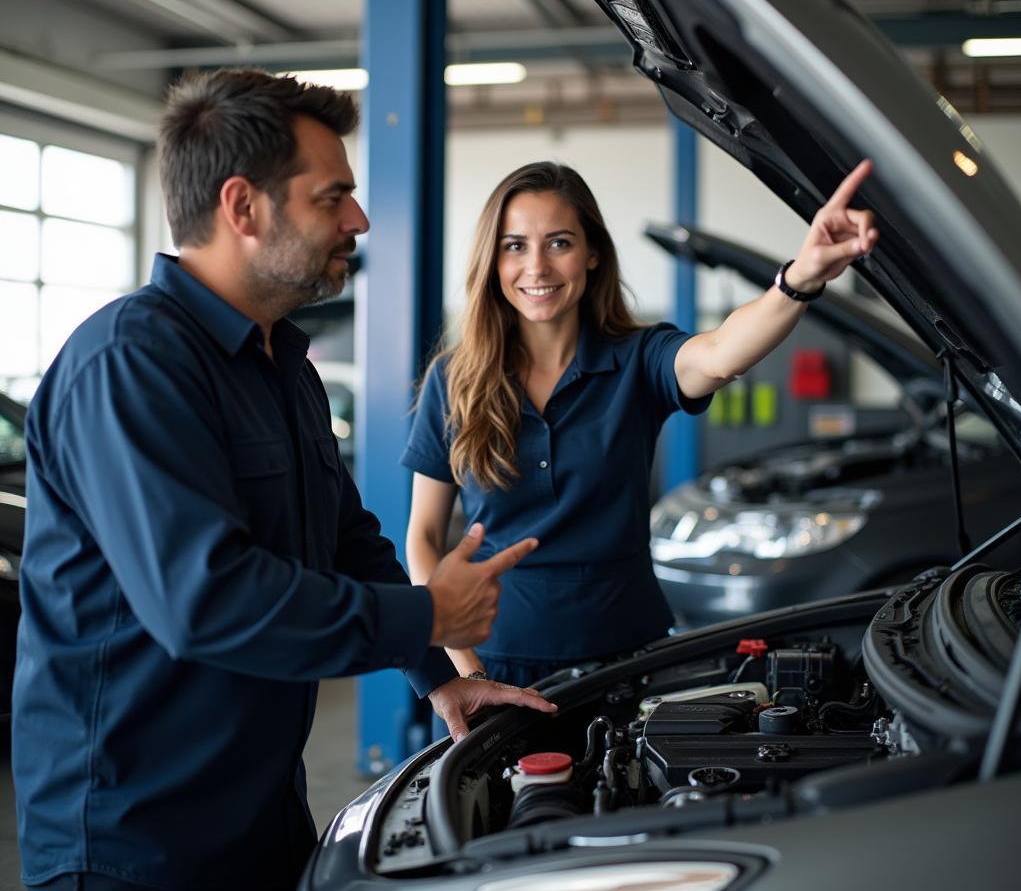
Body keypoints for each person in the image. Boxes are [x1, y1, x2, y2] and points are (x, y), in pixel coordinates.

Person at [12, 69, 555, 891]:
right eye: (332, 197)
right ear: (244, 208)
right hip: (134, 843)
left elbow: (345, 541)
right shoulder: (130, 365)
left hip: (262, 815)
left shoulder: (282, 363)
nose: (359, 220)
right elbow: (204, 601)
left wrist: (443, 679)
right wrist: (429, 609)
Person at [402, 159, 877, 712]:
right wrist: (464, 668)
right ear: (492, 259)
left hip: (630, 664)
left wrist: (801, 277)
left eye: (559, 243)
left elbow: (721, 355)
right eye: (514, 246)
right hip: (493, 665)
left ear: (593, 253)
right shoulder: (454, 379)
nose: (536, 266)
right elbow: (424, 538)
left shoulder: (638, 358)